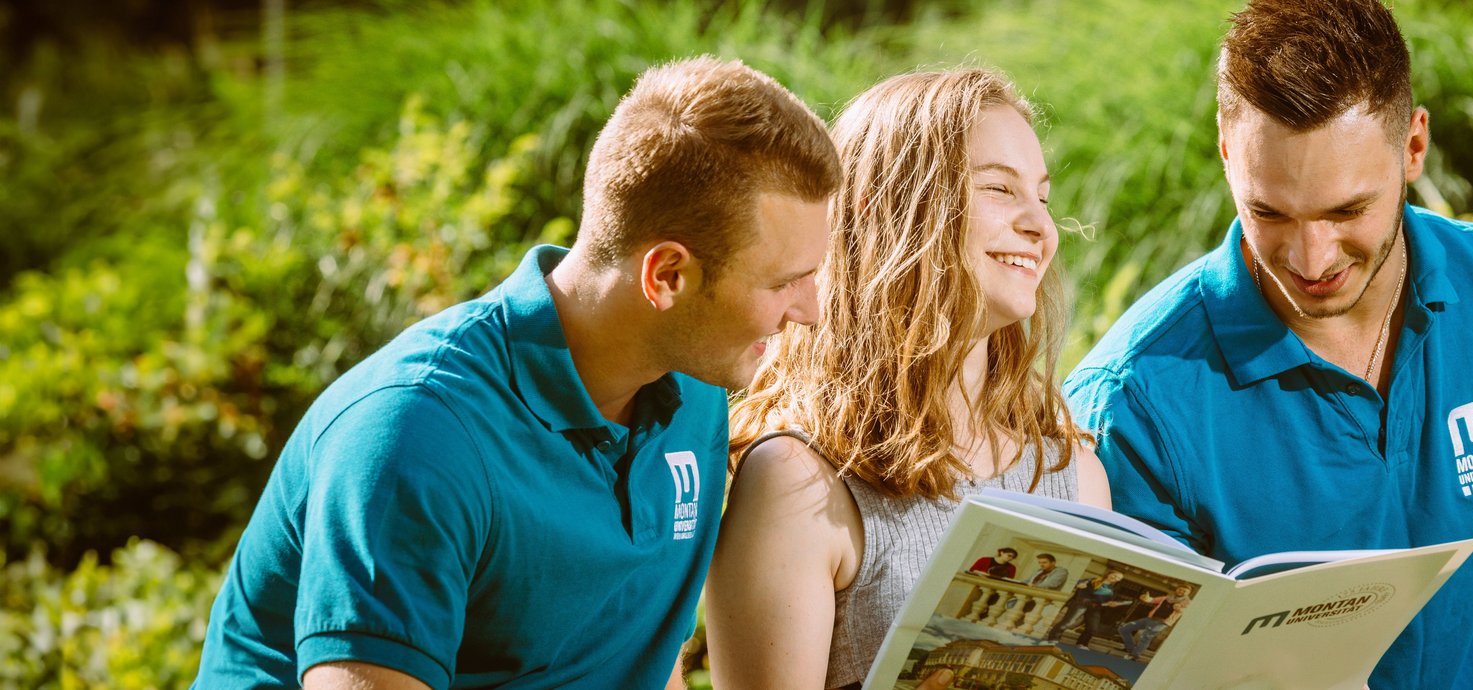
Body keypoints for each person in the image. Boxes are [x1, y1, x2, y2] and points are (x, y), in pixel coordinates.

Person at [190, 58, 840, 690]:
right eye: (786, 281)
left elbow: (638, 655)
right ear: (667, 276)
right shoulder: (415, 436)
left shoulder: (692, 388)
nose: (810, 310)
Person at [1064, 1, 1473, 689]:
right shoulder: (1132, 404)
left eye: (1347, 211)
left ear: (1413, 146)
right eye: (1269, 212)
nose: (1312, 260)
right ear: (1228, 156)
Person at [704, 68, 1113, 690]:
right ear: (889, 210)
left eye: (1044, 197)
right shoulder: (798, 481)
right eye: (1000, 190)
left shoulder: (1071, 470)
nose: (1041, 226)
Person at [1044, 570, 1128, 648]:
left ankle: (1082, 644)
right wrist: (1079, 585)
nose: (1115, 578)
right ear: (1109, 574)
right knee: (1068, 622)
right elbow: (1079, 582)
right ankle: (1053, 639)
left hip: (1095, 608)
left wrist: (1110, 604)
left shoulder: (1111, 590)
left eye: (1118, 578)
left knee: (1092, 628)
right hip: (1081, 604)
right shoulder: (1094, 580)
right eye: (1115, 575)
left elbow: (1104, 602)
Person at [1117, 584, 1191, 661]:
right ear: (1176, 589)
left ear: (1188, 593)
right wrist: (1146, 598)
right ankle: (1130, 649)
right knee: (1124, 629)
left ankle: (1135, 655)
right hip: (1150, 618)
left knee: (1145, 637)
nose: (1181, 591)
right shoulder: (1167, 598)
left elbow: (1186, 611)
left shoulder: (1187, 602)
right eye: (1180, 589)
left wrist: (1179, 609)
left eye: (1184, 591)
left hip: (1161, 622)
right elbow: (1152, 600)